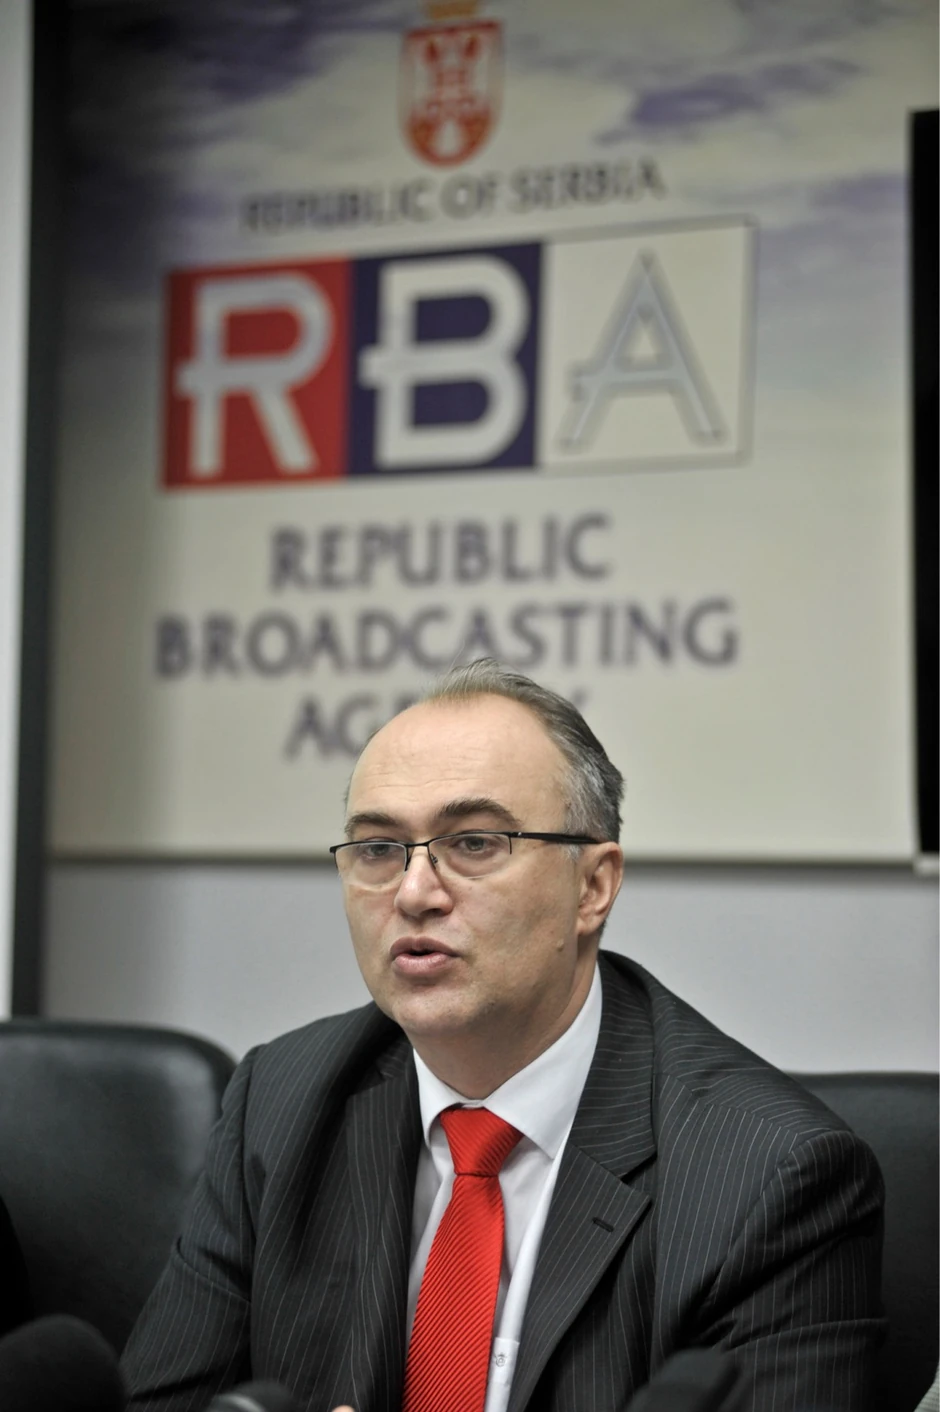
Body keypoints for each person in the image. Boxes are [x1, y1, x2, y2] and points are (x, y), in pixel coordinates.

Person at [122, 660, 885, 1412]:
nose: (414, 893)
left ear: (593, 886)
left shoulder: (769, 1176)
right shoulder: (281, 1102)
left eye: (475, 843)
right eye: (379, 849)